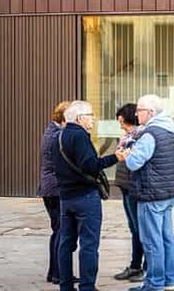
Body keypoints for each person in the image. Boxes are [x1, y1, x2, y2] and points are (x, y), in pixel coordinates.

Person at [53, 101, 120, 291]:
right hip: (85, 197)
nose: (93, 119)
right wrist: (116, 157)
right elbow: (90, 165)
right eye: (90, 115)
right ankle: (87, 286)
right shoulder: (80, 136)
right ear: (80, 118)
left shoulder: (61, 135)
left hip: (66, 197)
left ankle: (65, 285)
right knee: (89, 245)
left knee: (66, 243)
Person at [122, 94, 174, 291]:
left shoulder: (150, 134)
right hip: (168, 192)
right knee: (167, 238)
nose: (136, 113)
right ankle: (168, 280)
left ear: (149, 113)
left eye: (139, 110)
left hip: (151, 194)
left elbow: (133, 163)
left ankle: (154, 283)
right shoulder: (172, 129)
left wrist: (128, 153)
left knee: (151, 240)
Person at [39, 101, 74, 285]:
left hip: (49, 187)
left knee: (58, 231)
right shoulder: (58, 135)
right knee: (61, 231)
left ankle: (55, 272)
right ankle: (59, 273)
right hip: (56, 188)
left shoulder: (50, 131)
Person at [112, 103, 146, 283]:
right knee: (134, 228)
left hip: (134, 186)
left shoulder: (140, 136)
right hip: (125, 186)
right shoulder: (126, 135)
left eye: (122, 122)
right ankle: (135, 265)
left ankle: (142, 267)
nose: (120, 125)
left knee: (139, 229)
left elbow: (133, 160)